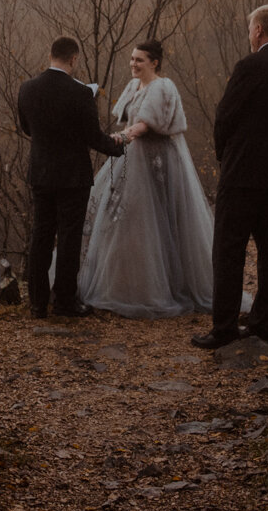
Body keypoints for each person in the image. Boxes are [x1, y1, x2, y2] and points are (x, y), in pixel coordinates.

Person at [194, 4, 268, 349]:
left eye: (250, 30)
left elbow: (224, 116)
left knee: (229, 250)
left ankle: (224, 327)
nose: (249, 36)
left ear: (259, 30)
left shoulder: (249, 66)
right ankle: (261, 327)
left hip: (241, 172)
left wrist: (223, 156)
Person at [79, 39, 216, 317]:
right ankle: (129, 284)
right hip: (131, 158)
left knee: (160, 220)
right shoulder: (133, 86)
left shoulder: (163, 87)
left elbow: (143, 124)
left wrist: (121, 138)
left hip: (157, 162)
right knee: (127, 221)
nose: (133, 64)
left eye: (139, 60)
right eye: (132, 59)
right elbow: (128, 120)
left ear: (154, 62)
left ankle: (166, 287)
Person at [16, 35, 124, 320]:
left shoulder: (26, 89)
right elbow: (93, 137)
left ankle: (38, 304)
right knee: (68, 238)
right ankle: (65, 301)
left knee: (40, 235)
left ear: (51, 55)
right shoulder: (81, 93)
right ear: (74, 59)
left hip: (40, 172)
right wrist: (118, 146)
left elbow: (27, 128)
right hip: (73, 176)